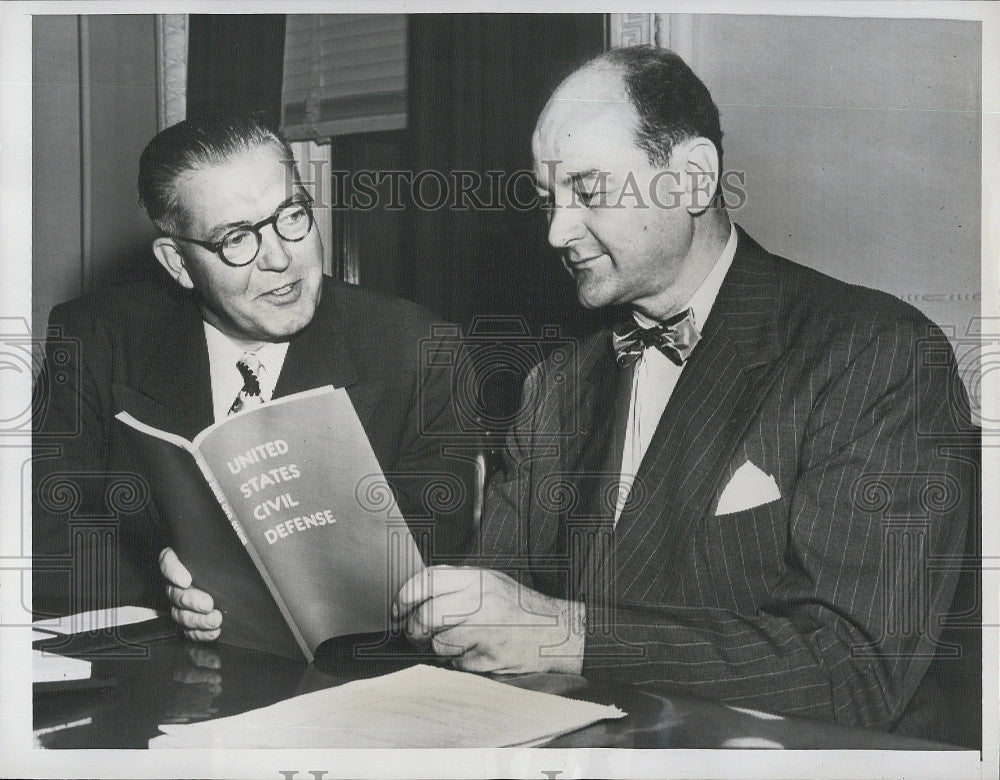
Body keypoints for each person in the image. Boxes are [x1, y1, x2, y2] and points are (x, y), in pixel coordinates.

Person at [390, 46, 976, 732]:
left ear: (692, 179)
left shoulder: (876, 353)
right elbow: (493, 625)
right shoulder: (555, 385)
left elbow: (852, 672)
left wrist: (567, 634)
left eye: (588, 191)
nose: (556, 230)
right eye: (550, 199)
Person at [32, 113, 474, 623]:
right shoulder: (98, 338)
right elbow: (41, 533)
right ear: (177, 263)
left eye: (292, 215)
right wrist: (171, 585)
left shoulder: (416, 349)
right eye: (237, 239)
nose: (281, 259)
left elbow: (425, 558)